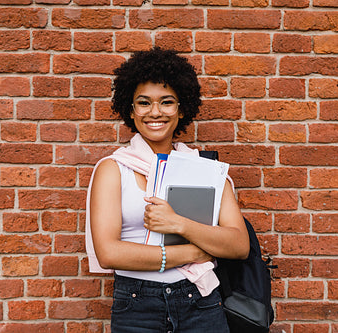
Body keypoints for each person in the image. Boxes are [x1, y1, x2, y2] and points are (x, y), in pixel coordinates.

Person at [85, 48, 250, 333]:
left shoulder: (205, 170)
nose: (155, 112)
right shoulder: (114, 169)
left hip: (200, 302)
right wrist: (193, 252)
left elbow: (238, 245)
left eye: (167, 102)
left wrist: (179, 224)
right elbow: (109, 253)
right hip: (137, 306)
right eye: (144, 103)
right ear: (131, 110)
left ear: (182, 108)